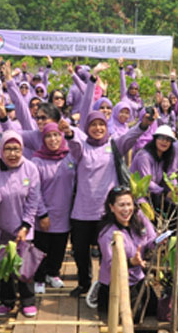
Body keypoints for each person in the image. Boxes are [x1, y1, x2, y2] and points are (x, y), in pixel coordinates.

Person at [66, 109, 154, 302]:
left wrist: (143, 124)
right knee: (80, 251)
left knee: (107, 253)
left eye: (101, 125)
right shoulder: (82, 148)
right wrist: (69, 133)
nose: (98, 128)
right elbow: (73, 144)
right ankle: (84, 283)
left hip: (107, 212)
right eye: (93, 125)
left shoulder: (114, 145)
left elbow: (130, 137)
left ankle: (105, 284)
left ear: (106, 127)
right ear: (87, 128)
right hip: (82, 211)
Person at [0, 132, 42, 317]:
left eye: (16, 149)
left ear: (22, 149)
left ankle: (28, 300)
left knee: (24, 265)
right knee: (3, 266)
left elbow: (33, 201)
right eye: (8, 149)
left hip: (22, 227)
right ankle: (7, 301)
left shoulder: (30, 169)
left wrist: (26, 226)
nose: (12, 153)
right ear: (1, 150)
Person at [95, 187, 158, 315]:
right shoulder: (107, 233)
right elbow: (111, 264)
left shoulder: (139, 219)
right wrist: (131, 262)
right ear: (112, 207)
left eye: (129, 204)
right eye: (121, 205)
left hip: (137, 277)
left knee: (153, 308)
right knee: (134, 314)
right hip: (116, 282)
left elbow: (151, 239)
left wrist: (159, 242)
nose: (126, 209)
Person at [31, 123, 74, 290]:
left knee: (59, 245)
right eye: (49, 136)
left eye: (56, 135)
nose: (53, 139)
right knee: (41, 247)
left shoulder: (70, 157)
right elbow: (34, 191)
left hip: (64, 212)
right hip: (44, 213)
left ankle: (53, 273)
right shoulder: (37, 160)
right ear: (43, 139)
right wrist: (42, 214)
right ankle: (39, 277)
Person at [130, 125, 176, 212]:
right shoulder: (144, 156)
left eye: (168, 140)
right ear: (155, 139)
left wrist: (174, 189)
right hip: (138, 195)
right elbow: (146, 181)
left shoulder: (165, 156)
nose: (164, 142)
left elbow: (170, 174)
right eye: (161, 138)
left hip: (154, 194)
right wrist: (164, 192)